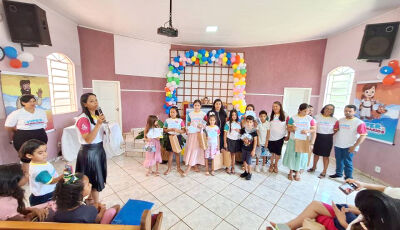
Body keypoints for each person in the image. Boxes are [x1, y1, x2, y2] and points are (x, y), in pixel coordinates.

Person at [267, 189, 400, 230]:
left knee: (319, 217)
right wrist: (352, 210)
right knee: (315, 206)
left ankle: (287, 227)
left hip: (348, 225)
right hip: (353, 220)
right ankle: (287, 226)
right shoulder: (390, 207)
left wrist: (343, 222)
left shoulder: (385, 225)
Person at [5, 94, 48, 178]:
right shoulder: (17, 113)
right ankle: (27, 177)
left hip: (40, 136)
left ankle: (41, 175)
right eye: (29, 101)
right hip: (23, 137)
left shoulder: (41, 112)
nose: (32, 103)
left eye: (33, 101)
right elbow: (8, 126)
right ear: (23, 103)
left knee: (40, 155)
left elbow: (44, 124)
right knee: (26, 158)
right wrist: (18, 132)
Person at [75, 93, 107, 205]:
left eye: (96, 100)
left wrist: (102, 124)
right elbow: (88, 139)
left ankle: (90, 199)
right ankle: (97, 204)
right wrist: (98, 125)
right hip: (89, 152)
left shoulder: (96, 115)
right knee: (93, 179)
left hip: (98, 150)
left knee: (97, 176)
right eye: (92, 101)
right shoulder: (83, 119)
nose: (96, 103)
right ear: (85, 104)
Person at [53, 172, 120, 223]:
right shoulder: (90, 210)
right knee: (117, 207)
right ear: (80, 192)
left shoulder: (57, 211)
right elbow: (97, 219)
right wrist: (102, 210)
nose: (90, 185)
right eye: (88, 184)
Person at [19, 140, 63, 206]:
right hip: (45, 195)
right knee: (47, 210)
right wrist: (62, 176)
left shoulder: (39, 162)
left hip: (41, 192)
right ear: (29, 155)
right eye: (40, 153)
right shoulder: (39, 171)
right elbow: (51, 181)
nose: (45, 154)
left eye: (45, 151)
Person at [330, 105, 367, 180]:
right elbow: (335, 131)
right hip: (338, 144)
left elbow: (363, 136)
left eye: (350, 111)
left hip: (350, 146)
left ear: (354, 112)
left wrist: (354, 146)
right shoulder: (340, 120)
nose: (347, 112)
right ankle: (338, 173)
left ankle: (348, 177)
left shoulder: (359, 123)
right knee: (339, 160)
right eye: (346, 111)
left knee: (347, 162)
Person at [283, 103, 316, 181]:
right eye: (305, 111)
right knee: (292, 156)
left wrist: (307, 130)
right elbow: (288, 128)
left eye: (308, 111)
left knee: (300, 157)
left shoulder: (310, 119)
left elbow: (314, 129)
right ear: (300, 110)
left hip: (303, 140)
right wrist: (293, 129)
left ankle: (297, 172)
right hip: (293, 140)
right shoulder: (293, 118)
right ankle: (290, 172)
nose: (307, 113)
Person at [307, 104, 337, 178]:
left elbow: (335, 130)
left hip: (328, 138)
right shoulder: (317, 117)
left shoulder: (334, 120)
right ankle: (314, 167)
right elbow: (313, 127)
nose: (328, 110)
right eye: (327, 108)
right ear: (324, 108)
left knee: (325, 156)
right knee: (316, 154)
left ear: (333, 111)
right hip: (318, 137)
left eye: (331, 109)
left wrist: (329, 135)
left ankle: (324, 171)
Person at [184, 99, 206, 176]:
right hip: (192, 134)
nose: (196, 107)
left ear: (200, 106)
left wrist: (202, 126)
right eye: (195, 105)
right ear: (193, 106)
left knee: (197, 149)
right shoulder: (190, 114)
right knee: (192, 148)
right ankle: (192, 165)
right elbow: (188, 123)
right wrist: (187, 129)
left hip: (199, 134)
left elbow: (206, 124)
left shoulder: (203, 114)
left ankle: (195, 164)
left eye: (198, 105)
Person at [267, 101, 289, 173]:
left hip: (280, 137)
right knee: (272, 152)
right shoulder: (270, 115)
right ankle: (271, 165)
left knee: (277, 152)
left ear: (280, 107)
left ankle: (275, 165)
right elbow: (268, 126)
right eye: (273, 106)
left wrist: (288, 135)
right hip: (271, 137)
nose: (275, 108)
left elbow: (288, 126)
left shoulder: (285, 115)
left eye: (276, 106)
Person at [163, 106, 185, 175]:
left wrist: (178, 130)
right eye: (171, 112)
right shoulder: (167, 120)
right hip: (170, 138)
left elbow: (184, 130)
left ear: (177, 113)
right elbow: (164, 129)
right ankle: (169, 168)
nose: (172, 113)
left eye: (173, 112)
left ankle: (178, 168)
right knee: (170, 153)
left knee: (177, 153)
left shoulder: (180, 121)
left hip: (177, 137)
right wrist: (169, 130)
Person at [239, 116, 258, 180]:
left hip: (250, 150)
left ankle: (250, 173)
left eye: (250, 122)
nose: (249, 123)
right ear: (245, 122)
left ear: (252, 123)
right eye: (247, 122)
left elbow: (255, 141)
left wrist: (254, 150)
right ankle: (246, 171)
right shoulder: (244, 130)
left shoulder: (254, 131)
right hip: (244, 148)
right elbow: (241, 137)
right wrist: (244, 139)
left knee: (249, 162)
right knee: (244, 160)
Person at [224, 109, 241, 174]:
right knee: (228, 154)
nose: (234, 116)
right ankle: (228, 167)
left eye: (235, 115)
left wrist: (239, 131)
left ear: (237, 116)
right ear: (230, 116)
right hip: (229, 140)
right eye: (232, 115)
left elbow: (240, 133)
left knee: (233, 155)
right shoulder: (227, 123)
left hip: (236, 141)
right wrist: (225, 142)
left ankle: (233, 167)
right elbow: (225, 134)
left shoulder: (238, 123)